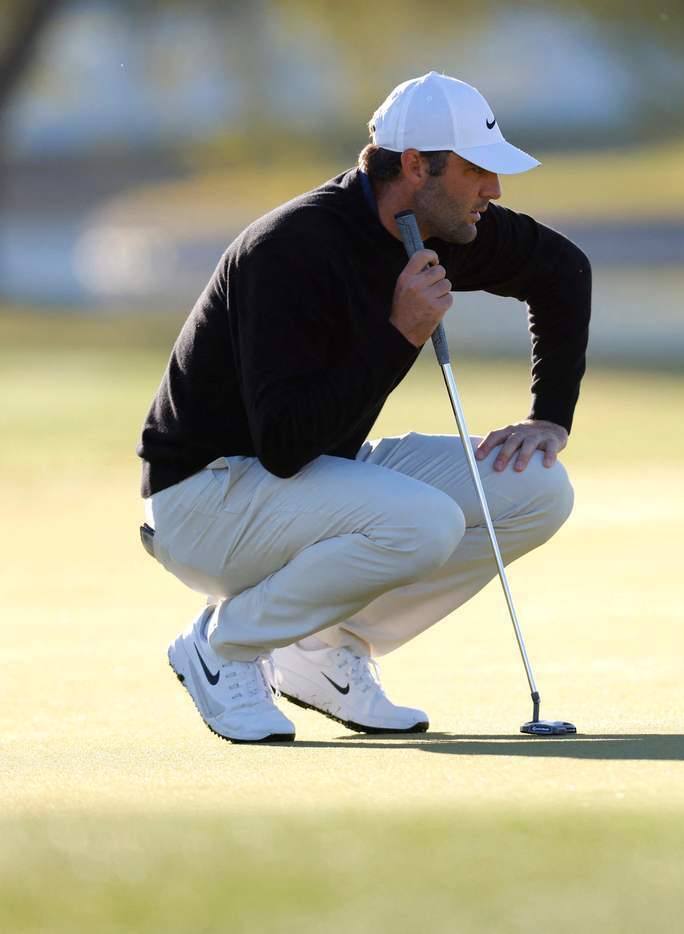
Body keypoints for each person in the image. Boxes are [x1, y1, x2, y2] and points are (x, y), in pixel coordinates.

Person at [137, 72, 590, 743]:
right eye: (477, 172)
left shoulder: (434, 228)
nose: (493, 191)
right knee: (426, 523)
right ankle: (222, 646)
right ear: (416, 166)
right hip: (207, 499)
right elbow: (284, 444)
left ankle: (321, 652)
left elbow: (562, 270)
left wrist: (549, 413)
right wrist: (399, 333)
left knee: (538, 487)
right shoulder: (291, 249)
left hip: (312, 479)